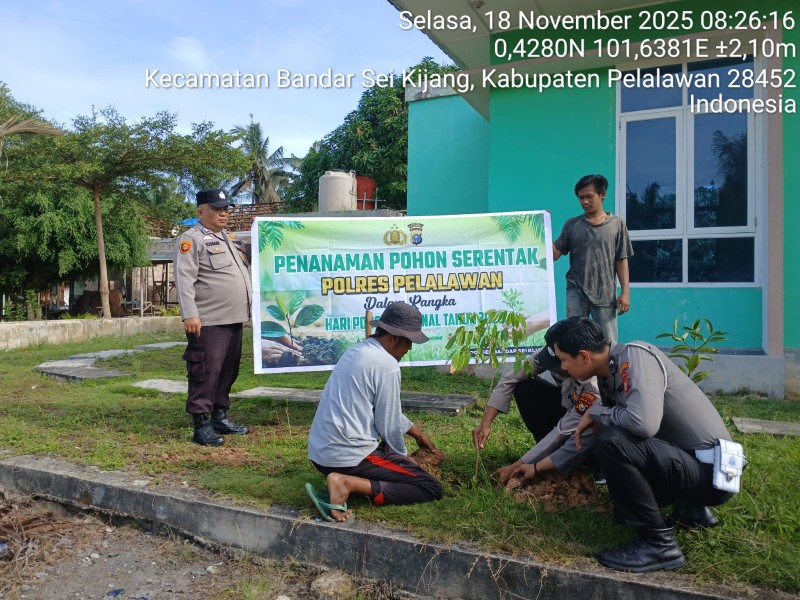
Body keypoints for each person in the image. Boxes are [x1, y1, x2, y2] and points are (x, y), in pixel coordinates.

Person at [544, 317, 735, 573]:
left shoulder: (635, 357)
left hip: (712, 475)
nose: (563, 368)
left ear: (584, 356)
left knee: (611, 441)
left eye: (564, 360)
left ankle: (659, 544)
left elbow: (643, 424)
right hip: (702, 467)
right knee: (614, 437)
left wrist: (598, 412)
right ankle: (691, 510)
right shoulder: (611, 369)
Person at [306, 301, 443, 522]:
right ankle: (346, 483)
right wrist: (403, 459)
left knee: (392, 457)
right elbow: (388, 425)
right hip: (346, 456)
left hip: (321, 454)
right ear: (394, 338)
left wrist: (416, 432)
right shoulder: (387, 364)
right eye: (409, 341)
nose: (409, 349)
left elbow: (381, 409)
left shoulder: (358, 350)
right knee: (429, 487)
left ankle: (346, 478)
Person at [477, 320, 601, 487]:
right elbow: (511, 378)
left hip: (585, 426)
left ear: (581, 357)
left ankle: (595, 464)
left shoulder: (593, 384)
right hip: (568, 409)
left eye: (562, 363)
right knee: (525, 388)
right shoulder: (551, 353)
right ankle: (543, 455)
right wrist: (486, 424)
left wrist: (517, 466)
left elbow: (563, 429)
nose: (556, 368)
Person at [174, 189, 252, 447]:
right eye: (217, 209)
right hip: (207, 320)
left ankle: (220, 417)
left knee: (228, 370)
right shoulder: (191, 239)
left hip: (234, 318)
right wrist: (190, 314)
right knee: (205, 372)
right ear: (201, 210)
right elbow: (184, 278)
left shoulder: (230, 238)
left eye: (226, 209)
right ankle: (201, 425)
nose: (223, 213)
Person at [553, 174, 633, 342]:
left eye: (589, 196)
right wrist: (543, 226)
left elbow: (621, 259)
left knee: (608, 343)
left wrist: (625, 292)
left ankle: (608, 362)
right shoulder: (572, 224)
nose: (585, 201)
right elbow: (554, 254)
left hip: (605, 294)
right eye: (581, 198)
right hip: (576, 293)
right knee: (575, 341)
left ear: (602, 194)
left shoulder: (617, 224)